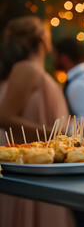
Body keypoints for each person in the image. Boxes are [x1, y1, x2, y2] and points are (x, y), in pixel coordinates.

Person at [0, 16, 73, 227]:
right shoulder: (26, 69)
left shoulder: (32, 70)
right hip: (31, 170)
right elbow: (4, 116)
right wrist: (54, 134)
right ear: (42, 38)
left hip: (42, 169)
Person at [53, 37, 84, 121]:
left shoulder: (79, 83)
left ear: (63, 58)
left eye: (55, 54)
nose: (53, 59)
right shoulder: (79, 79)